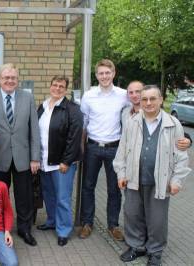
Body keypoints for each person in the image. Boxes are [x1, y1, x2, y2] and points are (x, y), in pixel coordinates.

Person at [113, 85, 191, 266]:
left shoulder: (173, 124)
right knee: (133, 215)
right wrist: (121, 173)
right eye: (144, 99)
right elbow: (122, 151)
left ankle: (155, 251)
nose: (148, 103)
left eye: (152, 99)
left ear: (161, 100)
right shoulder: (132, 122)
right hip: (133, 178)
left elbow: (181, 156)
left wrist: (177, 180)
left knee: (157, 220)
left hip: (160, 181)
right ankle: (136, 247)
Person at [0, 63, 40, 246]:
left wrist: (35, 157)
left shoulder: (27, 98)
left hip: (23, 157)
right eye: (6, 77)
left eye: (13, 77)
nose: (9, 80)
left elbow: (34, 130)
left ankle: (24, 229)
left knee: (24, 197)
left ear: (17, 79)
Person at [79, 59, 129, 241]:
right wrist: (82, 148)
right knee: (88, 187)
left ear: (113, 73)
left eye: (107, 73)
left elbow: (133, 117)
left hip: (115, 148)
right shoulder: (89, 96)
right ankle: (87, 223)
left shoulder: (124, 96)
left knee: (114, 189)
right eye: (101, 73)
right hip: (92, 147)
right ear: (96, 75)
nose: (104, 76)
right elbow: (84, 123)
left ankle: (113, 225)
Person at [36, 76, 83, 246]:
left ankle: (63, 230)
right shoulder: (42, 107)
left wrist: (66, 161)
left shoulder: (72, 109)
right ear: (50, 86)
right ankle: (51, 221)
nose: (57, 88)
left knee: (62, 198)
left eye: (61, 86)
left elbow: (74, 137)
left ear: (66, 89)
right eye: (54, 85)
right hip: (44, 161)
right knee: (49, 195)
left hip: (61, 164)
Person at [122, 80, 192, 149]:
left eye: (138, 91)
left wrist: (187, 141)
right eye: (131, 92)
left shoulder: (156, 113)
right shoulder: (124, 113)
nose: (134, 95)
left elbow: (175, 131)